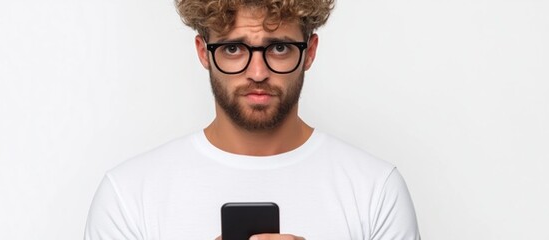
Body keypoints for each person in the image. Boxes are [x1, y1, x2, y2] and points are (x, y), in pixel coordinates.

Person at [84, 0, 420, 239]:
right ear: (204, 52)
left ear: (310, 52)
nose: (257, 73)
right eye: (233, 49)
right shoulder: (129, 195)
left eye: (278, 49)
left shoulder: (376, 190)